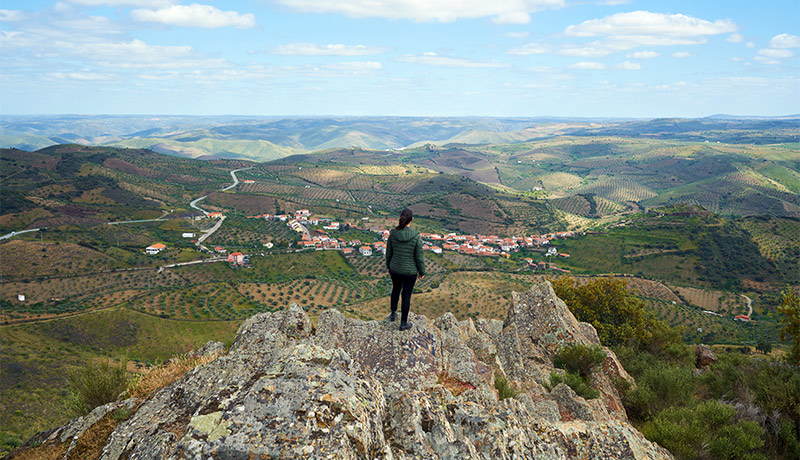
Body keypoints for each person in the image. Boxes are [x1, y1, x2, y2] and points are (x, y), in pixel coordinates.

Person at [385, 208, 425, 330]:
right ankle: (403, 323)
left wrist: (388, 266)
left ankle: (393, 314)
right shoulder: (416, 237)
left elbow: (388, 253)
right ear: (411, 220)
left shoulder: (393, 234)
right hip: (410, 272)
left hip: (395, 269)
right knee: (406, 295)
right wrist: (422, 271)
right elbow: (419, 257)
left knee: (396, 289)